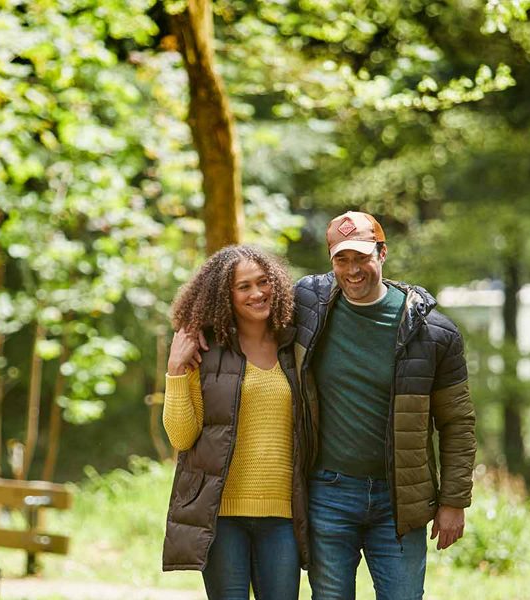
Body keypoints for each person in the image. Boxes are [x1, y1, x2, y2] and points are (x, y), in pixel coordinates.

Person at [294, 211, 476, 600]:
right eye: (341, 259)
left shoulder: (433, 333)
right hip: (329, 493)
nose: (352, 270)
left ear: (383, 253)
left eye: (362, 257)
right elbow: (245, 305)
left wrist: (454, 501)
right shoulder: (310, 307)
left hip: (401, 501)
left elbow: (457, 422)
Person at [161, 245, 310, 600]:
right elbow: (181, 438)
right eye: (244, 287)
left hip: (282, 518)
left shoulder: (295, 346)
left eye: (263, 282)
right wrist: (175, 371)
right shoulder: (205, 352)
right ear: (224, 295)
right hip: (222, 517)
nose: (257, 293)